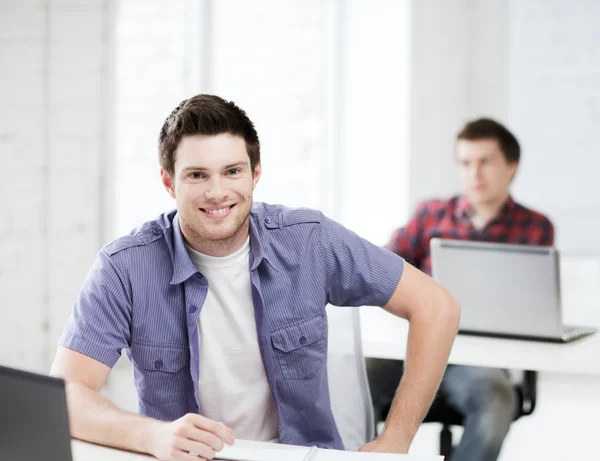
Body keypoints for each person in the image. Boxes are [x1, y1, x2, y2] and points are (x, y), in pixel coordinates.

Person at [50, 94, 460, 461]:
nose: (217, 192)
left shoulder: (308, 240)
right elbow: (67, 395)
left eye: (232, 171)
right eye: (197, 175)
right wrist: (154, 436)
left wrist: (397, 439)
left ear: (255, 173)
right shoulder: (124, 267)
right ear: (168, 180)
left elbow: (437, 306)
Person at [367, 118, 554, 461]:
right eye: (466, 163)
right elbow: (381, 269)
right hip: (413, 346)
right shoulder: (430, 214)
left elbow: (534, 306)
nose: (474, 174)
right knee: (350, 382)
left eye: (485, 162)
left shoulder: (535, 227)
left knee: (496, 401)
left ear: (511, 166)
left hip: (479, 360)